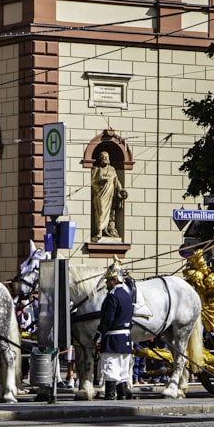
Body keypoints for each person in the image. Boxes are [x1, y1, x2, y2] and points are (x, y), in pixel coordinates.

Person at [94, 262, 133, 400]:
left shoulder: (112, 296)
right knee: (122, 370)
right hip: (126, 337)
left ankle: (110, 395)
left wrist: (98, 336)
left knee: (110, 367)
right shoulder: (127, 294)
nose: (107, 283)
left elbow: (107, 320)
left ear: (115, 280)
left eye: (109, 280)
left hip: (112, 338)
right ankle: (121, 395)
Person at [91, 151, 126, 242]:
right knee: (101, 211)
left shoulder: (112, 169)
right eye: (103, 157)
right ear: (100, 159)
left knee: (110, 212)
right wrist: (100, 179)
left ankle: (106, 230)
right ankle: (99, 232)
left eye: (107, 157)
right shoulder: (97, 169)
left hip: (110, 194)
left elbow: (116, 181)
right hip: (101, 194)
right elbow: (93, 182)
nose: (105, 159)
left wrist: (121, 190)